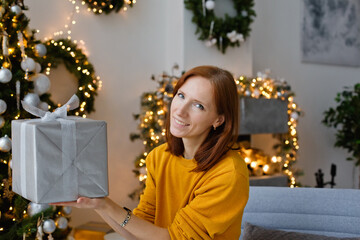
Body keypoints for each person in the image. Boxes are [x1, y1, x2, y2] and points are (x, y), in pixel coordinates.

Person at [53, 65, 249, 240]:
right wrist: (98, 203)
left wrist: (108, 206)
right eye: (181, 96)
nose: (180, 111)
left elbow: (174, 238)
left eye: (198, 105)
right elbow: (137, 231)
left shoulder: (228, 173)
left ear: (218, 120)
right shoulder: (160, 156)